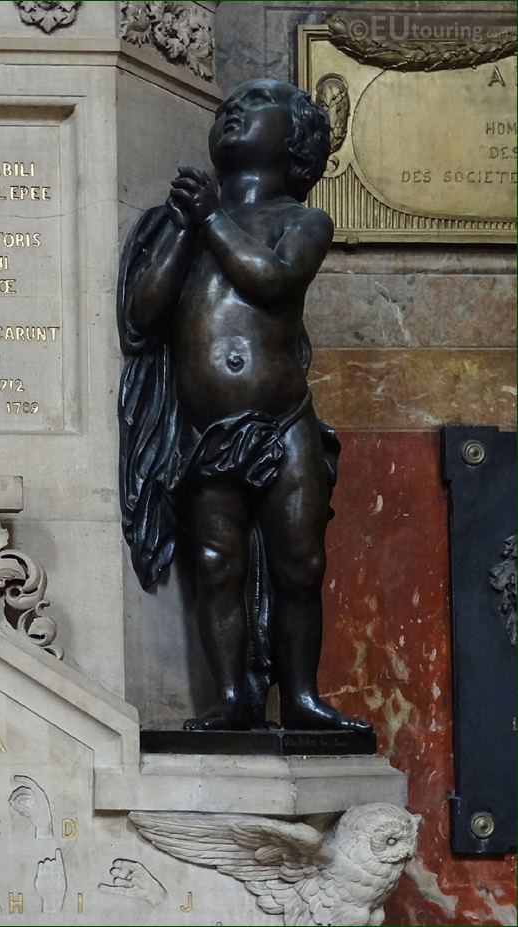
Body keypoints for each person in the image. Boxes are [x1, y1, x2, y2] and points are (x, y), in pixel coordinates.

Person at [118, 78, 370, 734]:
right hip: (208, 431)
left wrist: (207, 218)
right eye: (229, 107)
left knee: (299, 561)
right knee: (215, 562)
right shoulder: (188, 223)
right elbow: (144, 313)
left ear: (296, 145)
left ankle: (301, 697)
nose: (233, 110)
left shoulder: (302, 220)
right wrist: (181, 226)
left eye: (255, 107)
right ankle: (232, 694)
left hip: (283, 422)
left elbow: (273, 279)